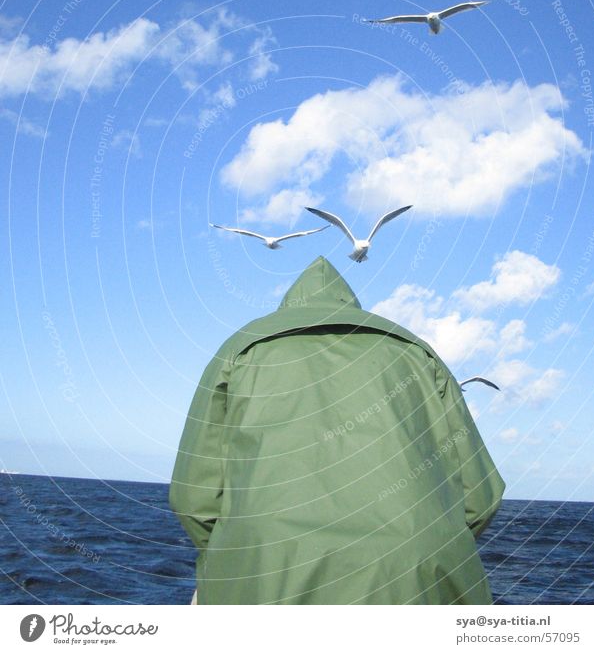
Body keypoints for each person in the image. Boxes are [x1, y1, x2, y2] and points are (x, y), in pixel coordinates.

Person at [170, 257, 505, 604]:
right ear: (351, 304)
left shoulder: (241, 349)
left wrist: (239, 553)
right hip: (414, 572)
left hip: (268, 568)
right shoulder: (418, 353)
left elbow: (193, 497)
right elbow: (481, 496)